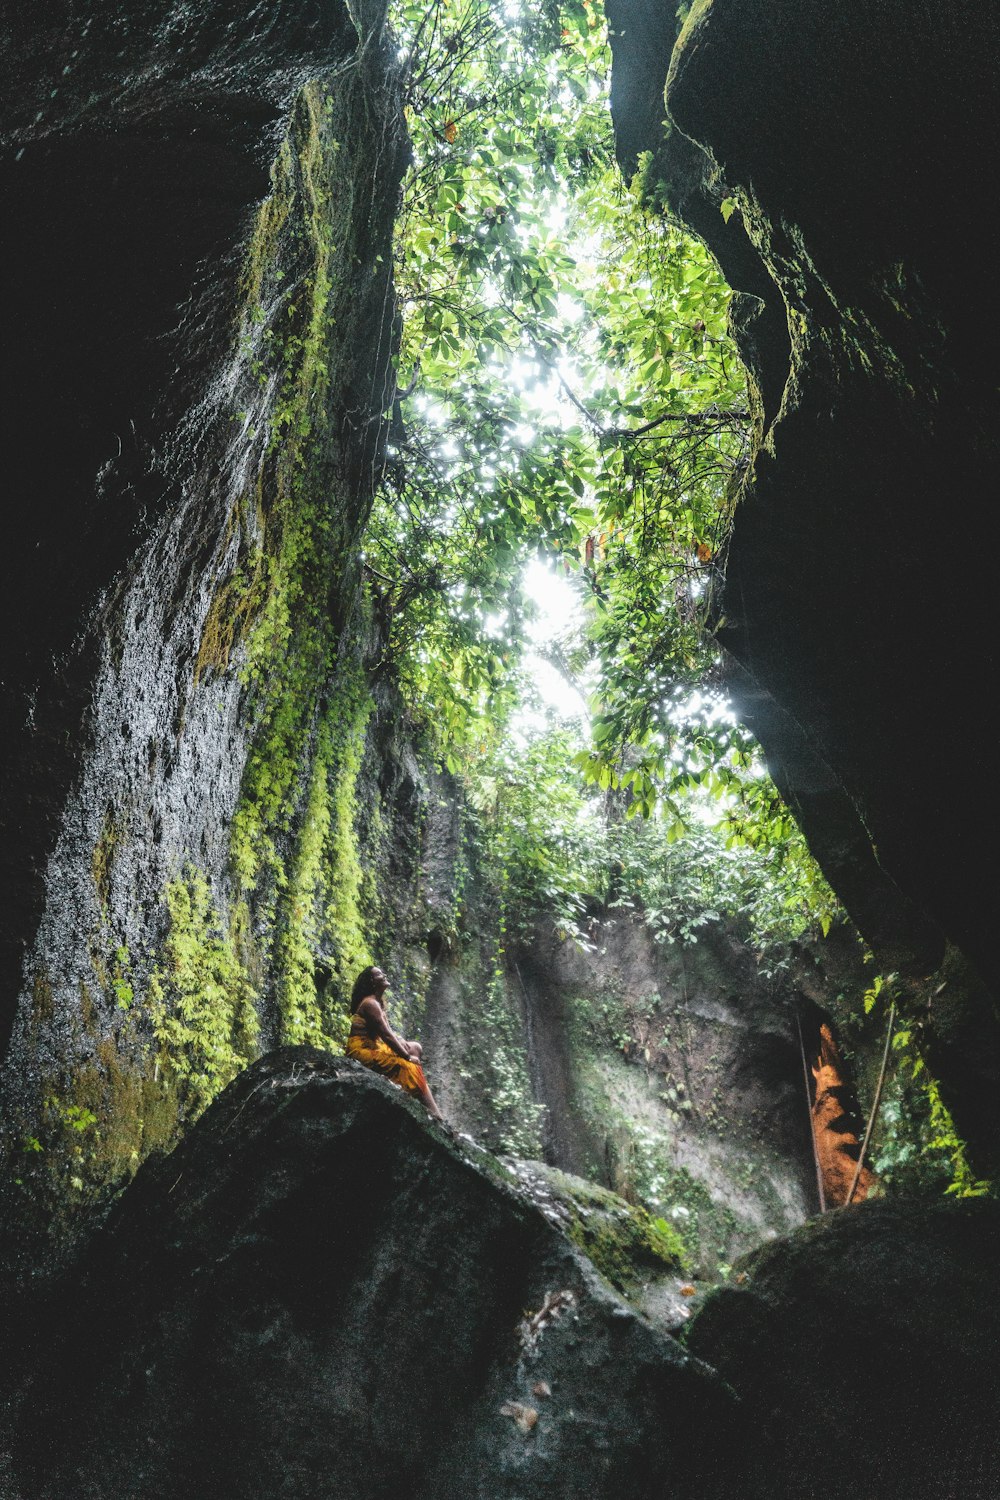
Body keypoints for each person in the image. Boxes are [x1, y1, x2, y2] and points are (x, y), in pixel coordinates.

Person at [345, 965, 445, 1122]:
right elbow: (386, 1036)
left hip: (374, 1045)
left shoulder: (378, 1002)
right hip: (361, 1051)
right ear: (372, 981)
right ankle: (435, 1115)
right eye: (379, 974)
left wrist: (401, 1041)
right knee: (408, 1066)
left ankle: (423, 1106)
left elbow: (388, 1032)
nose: (384, 975)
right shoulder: (370, 1004)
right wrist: (406, 1056)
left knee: (415, 1048)